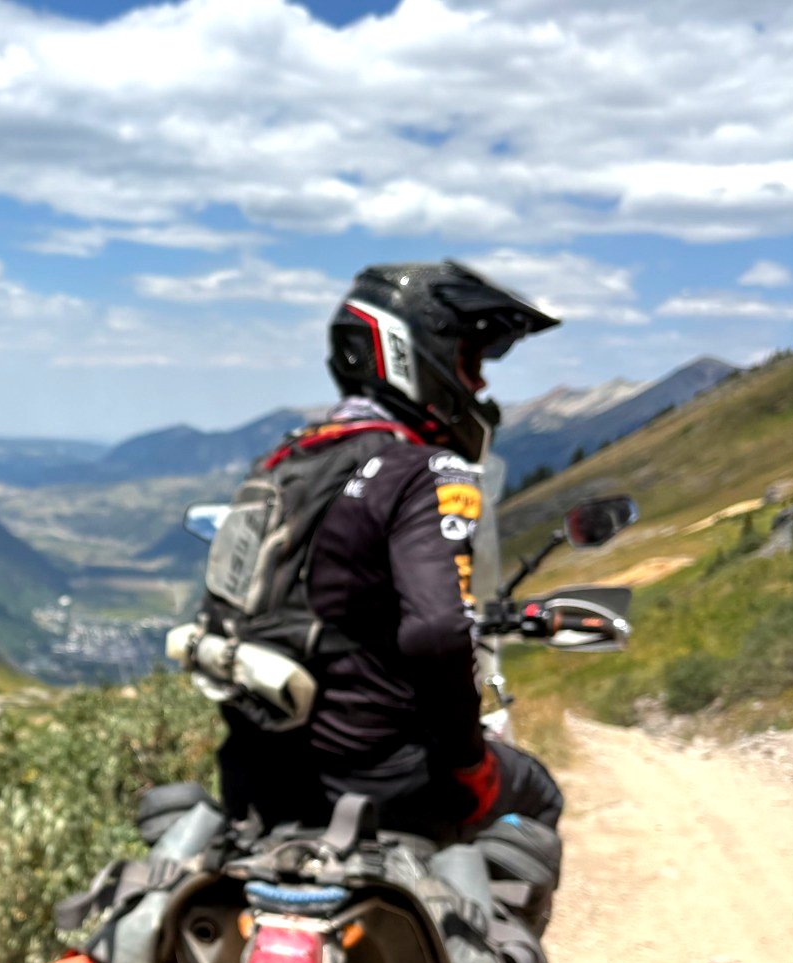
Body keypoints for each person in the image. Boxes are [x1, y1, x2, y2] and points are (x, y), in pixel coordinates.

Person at [212, 260, 564, 844]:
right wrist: (468, 759)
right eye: (471, 361)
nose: (479, 386)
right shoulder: (424, 469)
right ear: (416, 352)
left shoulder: (290, 460)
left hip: (259, 769)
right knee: (539, 794)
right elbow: (438, 632)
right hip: (381, 779)